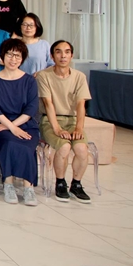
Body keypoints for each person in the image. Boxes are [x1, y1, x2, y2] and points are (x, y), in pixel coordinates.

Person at [37, 40, 93, 203]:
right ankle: (60, 183)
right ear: (52, 56)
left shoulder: (79, 77)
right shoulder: (44, 76)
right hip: (50, 120)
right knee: (64, 146)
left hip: (72, 120)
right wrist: (57, 129)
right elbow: (48, 104)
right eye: (58, 52)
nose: (63, 56)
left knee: (81, 149)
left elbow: (81, 104)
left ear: (72, 55)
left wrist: (79, 128)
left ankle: (76, 184)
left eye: (67, 52)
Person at [0, 38, 40, 206]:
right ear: (2, 56)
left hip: (26, 124)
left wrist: (14, 126)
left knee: (27, 145)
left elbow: (31, 109)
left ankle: (28, 187)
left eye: (17, 56)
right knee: (10, 142)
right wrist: (11, 127)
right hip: (1, 124)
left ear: (22, 58)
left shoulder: (29, 81)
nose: (13, 59)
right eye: (9, 55)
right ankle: (8, 184)